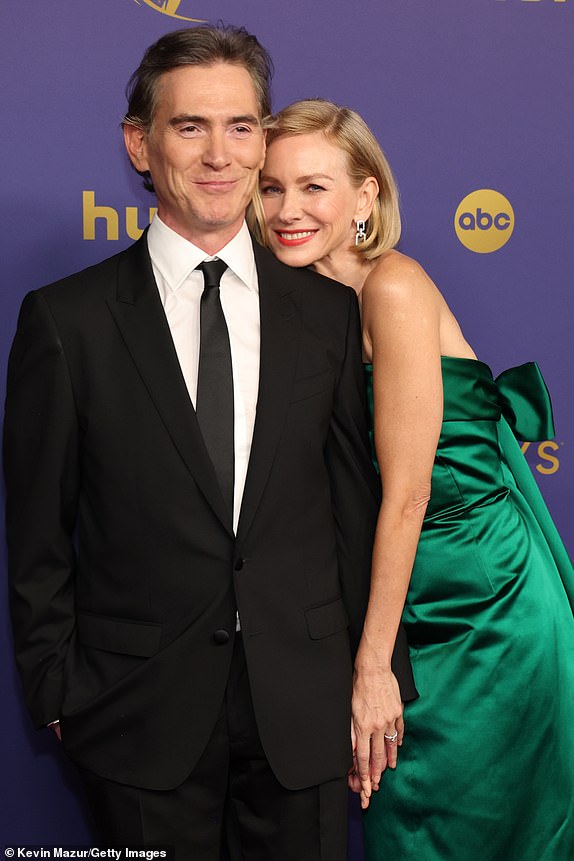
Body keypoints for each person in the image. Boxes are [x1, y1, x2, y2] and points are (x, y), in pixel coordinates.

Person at [3, 31, 416, 860]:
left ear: (262, 137)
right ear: (140, 144)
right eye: (190, 127)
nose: (220, 154)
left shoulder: (328, 315)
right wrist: (58, 688)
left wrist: (382, 676)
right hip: (134, 715)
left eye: (240, 126)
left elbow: (354, 507)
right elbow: (39, 530)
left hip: (303, 713)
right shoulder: (67, 321)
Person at [253, 98, 574, 860]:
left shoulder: (391, 287)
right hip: (395, 605)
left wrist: (370, 669)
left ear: (366, 196)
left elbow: (405, 495)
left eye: (314, 187)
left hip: (479, 610)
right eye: (270, 188)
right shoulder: (297, 305)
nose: (287, 210)